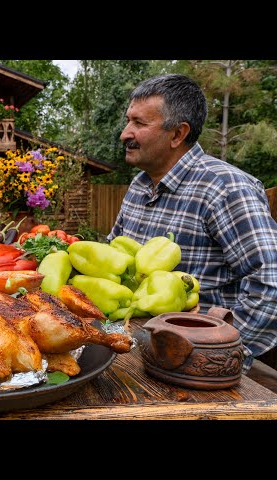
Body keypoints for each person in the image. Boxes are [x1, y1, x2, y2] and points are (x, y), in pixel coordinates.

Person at [107, 73, 277, 373]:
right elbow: (111, 259)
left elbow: (271, 283)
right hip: (133, 351)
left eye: (139, 123)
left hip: (194, 367)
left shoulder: (225, 188)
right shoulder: (139, 187)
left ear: (177, 134)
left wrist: (220, 356)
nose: (124, 133)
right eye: (128, 120)